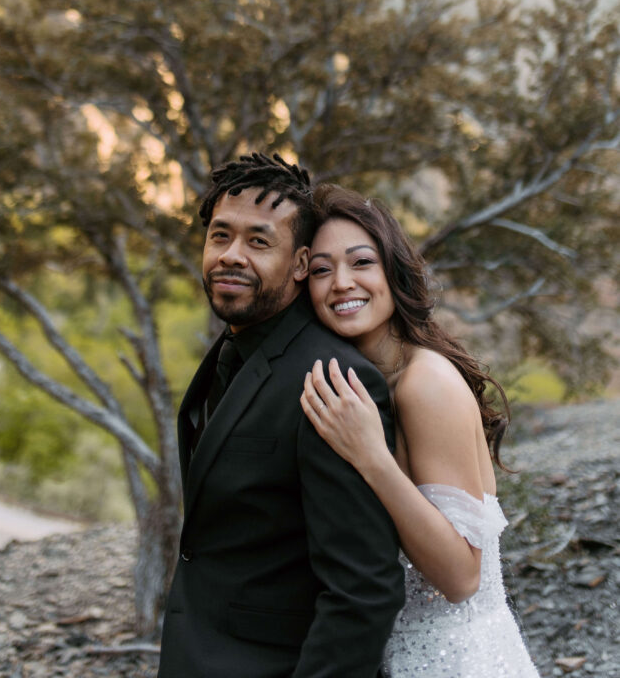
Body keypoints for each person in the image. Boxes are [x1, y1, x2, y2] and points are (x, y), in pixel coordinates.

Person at [157, 154, 405, 678]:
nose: (231, 256)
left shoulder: (332, 378)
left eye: (259, 241)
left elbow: (362, 592)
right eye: (220, 237)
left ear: (299, 264)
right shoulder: (232, 350)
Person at [301, 184, 540, 678]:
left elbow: (461, 576)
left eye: (360, 262)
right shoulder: (374, 384)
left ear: (393, 270)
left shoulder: (424, 382)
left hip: (458, 659)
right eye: (322, 270)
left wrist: (371, 456)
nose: (341, 283)